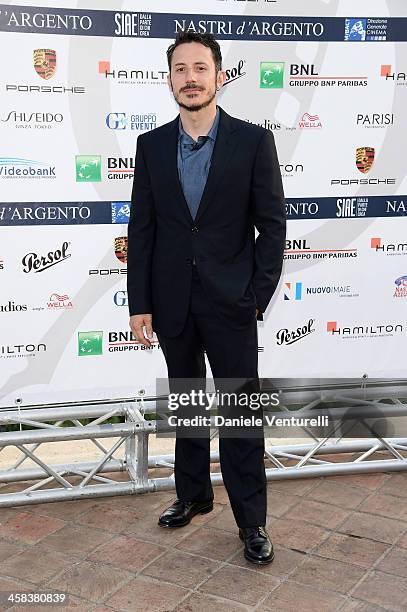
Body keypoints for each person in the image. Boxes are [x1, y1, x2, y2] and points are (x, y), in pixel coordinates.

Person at [127, 31, 286, 565]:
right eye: (180, 69)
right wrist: (138, 302)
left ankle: (252, 520)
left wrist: (257, 295)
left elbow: (273, 225)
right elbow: (143, 229)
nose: (190, 78)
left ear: (220, 76)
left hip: (232, 301)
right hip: (171, 300)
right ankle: (193, 494)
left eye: (200, 68)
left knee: (240, 411)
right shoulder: (149, 146)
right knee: (189, 401)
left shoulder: (253, 141)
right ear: (169, 79)